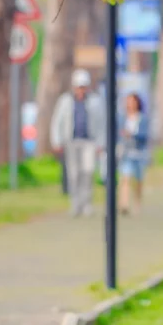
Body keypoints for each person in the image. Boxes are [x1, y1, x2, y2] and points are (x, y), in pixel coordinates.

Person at [50, 69, 105, 217]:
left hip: (89, 142)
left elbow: (101, 124)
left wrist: (101, 143)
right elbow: (57, 121)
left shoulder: (95, 101)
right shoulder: (65, 101)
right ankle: (75, 204)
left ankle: (87, 203)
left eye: (83, 86)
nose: (81, 89)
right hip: (71, 141)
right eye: (79, 86)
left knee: (87, 171)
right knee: (73, 174)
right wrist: (56, 141)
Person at [118, 92, 150, 215]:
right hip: (126, 153)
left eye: (133, 101)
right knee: (125, 178)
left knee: (138, 181)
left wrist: (133, 134)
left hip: (139, 153)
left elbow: (145, 136)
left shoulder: (142, 118)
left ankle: (137, 203)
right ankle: (124, 204)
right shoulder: (122, 118)